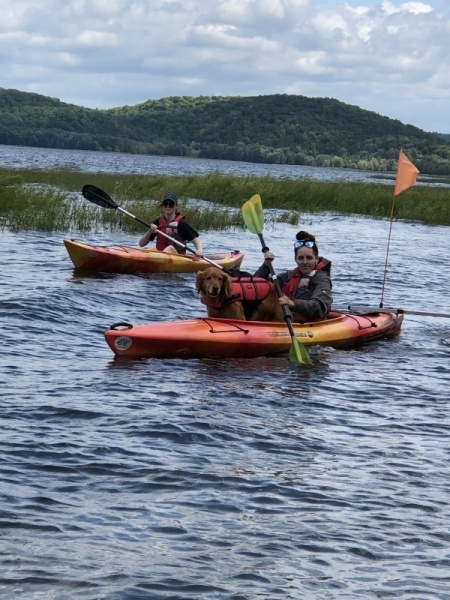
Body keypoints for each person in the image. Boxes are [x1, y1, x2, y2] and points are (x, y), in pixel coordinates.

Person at [254, 230, 332, 321]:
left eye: (309, 258)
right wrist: (265, 266)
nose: (305, 262)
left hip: (310, 323)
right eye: (301, 258)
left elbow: (320, 307)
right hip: (286, 320)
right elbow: (258, 286)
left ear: (316, 259)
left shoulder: (322, 280)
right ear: (295, 259)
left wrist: (293, 303)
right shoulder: (288, 276)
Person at [139, 192, 203, 256]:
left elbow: (196, 241)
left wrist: (199, 251)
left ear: (176, 206)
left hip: (178, 257)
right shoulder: (157, 222)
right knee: (151, 249)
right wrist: (150, 231)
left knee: (170, 248)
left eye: (171, 204)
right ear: (163, 206)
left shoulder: (181, 223)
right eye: (165, 204)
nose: (168, 206)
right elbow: (141, 244)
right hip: (160, 256)